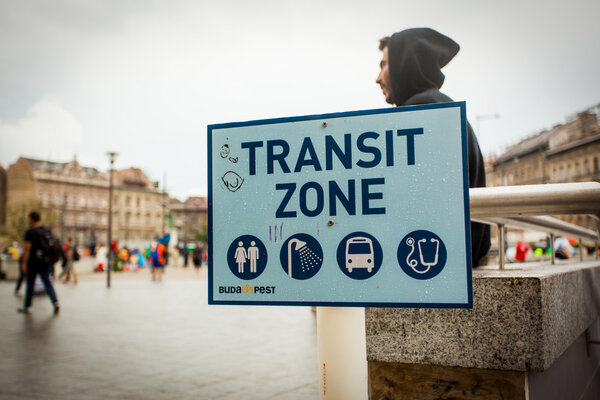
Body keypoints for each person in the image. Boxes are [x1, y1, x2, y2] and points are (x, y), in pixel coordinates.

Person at [376, 27, 491, 267]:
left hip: (442, 260)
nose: (378, 78)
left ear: (405, 65)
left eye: (384, 65)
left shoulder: (423, 110)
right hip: (456, 255)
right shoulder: (439, 106)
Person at [18, 211, 60, 314]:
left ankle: (27, 306)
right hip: (44, 261)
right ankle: (55, 302)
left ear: (31, 219)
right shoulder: (46, 230)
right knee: (47, 282)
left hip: (33, 262)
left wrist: (24, 262)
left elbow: (27, 248)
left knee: (30, 284)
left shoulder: (30, 232)